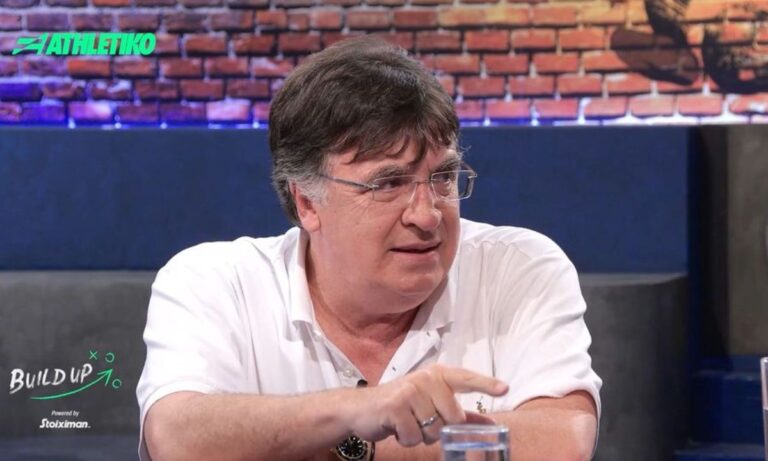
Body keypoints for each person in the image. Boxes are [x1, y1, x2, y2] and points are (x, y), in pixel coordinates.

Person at [136, 36, 601, 461]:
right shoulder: (215, 282)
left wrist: (353, 446)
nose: (427, 216)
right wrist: (356, 409)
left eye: (443, 177)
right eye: (388, 183)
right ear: (307, 202)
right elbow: (177, 438)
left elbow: (561, 441)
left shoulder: (519, 269)